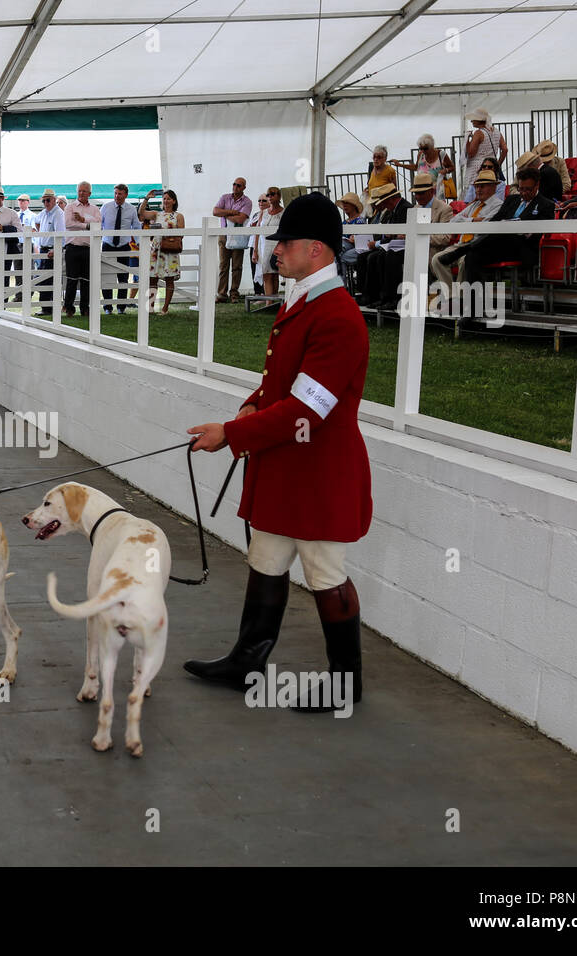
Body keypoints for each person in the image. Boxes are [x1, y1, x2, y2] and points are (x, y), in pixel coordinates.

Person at [184, 192, 371, 713]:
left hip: (318, 471)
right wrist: (248, 408)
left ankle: (345, 686)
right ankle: (247, 662)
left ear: (316, 249)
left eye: (285, 243)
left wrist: (233, 433)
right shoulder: (306, 301)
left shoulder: (337, 315)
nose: (276, 251)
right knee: (266, 558)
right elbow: (281, 384)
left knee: (325, 574)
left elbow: (308, 407)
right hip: (289, 463)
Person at [461, 168, 556, 286]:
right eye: (521, 189)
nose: (524, 193)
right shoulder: (511, 200)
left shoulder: (546, 205)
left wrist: (518, 229)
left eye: (528, 189)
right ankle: (475, 299)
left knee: (483, 245)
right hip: (500, 246)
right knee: (472, 256)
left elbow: (538, 235)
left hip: (522, 249)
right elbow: (494, 221)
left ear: (537, 185)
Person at [430, 169, 504, 308]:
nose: (478, 189)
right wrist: (474, 220)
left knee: (465, 261)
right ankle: (451, 297)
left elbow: (485, 225)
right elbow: (453, 222)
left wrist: (467, 220)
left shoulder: (498, 205)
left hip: (476, 245)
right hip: (461, 244)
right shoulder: (474, 205)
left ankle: (461, 299)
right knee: (437, 260)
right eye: (476, 186)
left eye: (482, 186)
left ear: (493, 187)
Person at [355, 183, 412, 310]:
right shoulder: (394, 210)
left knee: (382, 256)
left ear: (391, 199)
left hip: (404, 247)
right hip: (395, 246)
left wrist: (383, 241)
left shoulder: (405, 209)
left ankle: (391, 297)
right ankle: (374, 295)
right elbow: (392, 235)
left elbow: (401, 235)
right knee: (367, 256)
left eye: (384, 201)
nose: (383, 205)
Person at [138, 188, 184, 314]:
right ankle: (150, 307)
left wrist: (167, 236)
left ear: (174, 201)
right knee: (152, 279)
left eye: (168, 198)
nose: (166, 201)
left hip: (170, 250)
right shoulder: (156, 214)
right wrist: (147, 198)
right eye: (164, 198)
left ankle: (165, 308)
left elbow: (182, 234)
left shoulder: (178, 216)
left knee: (169, 279)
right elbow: (141, 213)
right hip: (156, 250)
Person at [62, 181, 100, 316]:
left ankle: (85, 308)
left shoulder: (95, 209)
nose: (81, 193)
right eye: (80, 191)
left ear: (89, 193)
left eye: (84, 191)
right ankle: (69, 307)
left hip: (88, 248)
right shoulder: (70, 207)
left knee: (86, 280)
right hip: (72, 247)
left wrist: (83, 220)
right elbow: (68, 224)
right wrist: (87, 224)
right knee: (71, 279)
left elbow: (99, 224)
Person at [213, 177, 252, 303]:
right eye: (234, 184)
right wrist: (232, 212)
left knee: (236, 266)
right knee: (223, 265)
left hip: (238, 236)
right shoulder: (225, 197)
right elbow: (215, 211)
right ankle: (222, 294)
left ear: (244, 187)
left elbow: (241, 220)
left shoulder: (247, 201)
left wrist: (224, 214)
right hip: (224, 234)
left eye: (239, 185)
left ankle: (234, 294)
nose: (235, 187)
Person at [100, 184, 137, 313]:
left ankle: (121, 307)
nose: (117, 196)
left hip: (124, 247)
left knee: (123, 277)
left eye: (120, 194)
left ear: (126, 194)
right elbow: (99, 225)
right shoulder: (106, 207)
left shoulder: (132, 209)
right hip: (108, 245)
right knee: (106, 277)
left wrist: (139, 245)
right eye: (115, 193)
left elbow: (136, 227)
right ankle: (107, 307)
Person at [391, 134, 455, 197]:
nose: (423, 151)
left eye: (425, 148)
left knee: (438, 207)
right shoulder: (420, 155)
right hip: (422, 191)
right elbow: (416, 167)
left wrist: (446, 170)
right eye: (420, 148)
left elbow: (452, 167)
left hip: (437, 192)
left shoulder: (441, 154)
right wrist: (400, 165)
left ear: (432, 146)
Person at [32, 188, 64, 314]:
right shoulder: (44, 213)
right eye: (44, 201)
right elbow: (36, 221)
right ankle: (46, 307)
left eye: (48, 200)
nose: (46, 203)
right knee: (43, 279)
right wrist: (40, 233)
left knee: (49, 280)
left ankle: (48, 308)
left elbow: (60, 234)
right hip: (44, 250)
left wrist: (56, 250)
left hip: (51, 251)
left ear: (54, 200)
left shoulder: (58, 213)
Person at [463, 109, 507, 198]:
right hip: (491, 167)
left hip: (477, 169)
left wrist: (467, 139)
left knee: (475, 193)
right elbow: (505, 149)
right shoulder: (496, 131)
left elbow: (471, 153)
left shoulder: (479, 133)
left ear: (479, 120)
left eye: (473, 119)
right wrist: (497, 165)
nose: (471, 121)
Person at [256, 187, 284, 295]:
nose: (270, 197)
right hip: (263, 245)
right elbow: (257, 231)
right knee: (265, 274)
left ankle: (274, 299)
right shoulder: (263, 212)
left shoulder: (283, 212)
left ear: (279, 196)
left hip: (276, 245)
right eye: (268, 195)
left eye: (272, 194)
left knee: (275, 273)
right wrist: (255, 250)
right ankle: (269, 301)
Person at [336, 193, 367, 271]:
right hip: (346, 248)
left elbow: (364, 240)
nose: (344, 205)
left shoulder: (360, 220)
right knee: (339, 257)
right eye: (343, 203)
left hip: (357, 248)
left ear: (354, 205)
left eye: (347, 203)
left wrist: (355, 239)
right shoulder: (344, 222)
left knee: (339, 251)